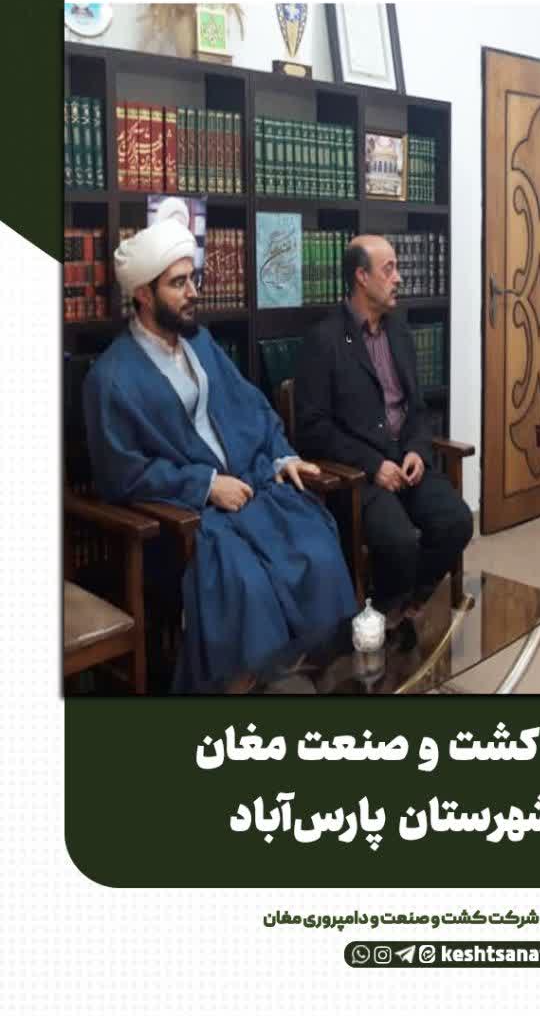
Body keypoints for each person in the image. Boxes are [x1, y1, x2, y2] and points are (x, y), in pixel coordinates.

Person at [83, 218, 357, 692]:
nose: (193, 292)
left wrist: (282, 456)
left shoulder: (201, 344)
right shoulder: (111, 377)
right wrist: (206, 486)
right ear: (143, 295)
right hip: (186, 521)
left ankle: (327, 678)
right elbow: (121, 474)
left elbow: (254, 407)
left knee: (317, 549)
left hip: (250, 491)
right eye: (178, 283)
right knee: (247, 588)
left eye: (193, 278)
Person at [294, 234, 473, 617]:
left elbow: (417, 409)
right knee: (399, 541)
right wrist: (374, 466)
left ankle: (407, 603)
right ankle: (388, 613)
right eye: (389, 269)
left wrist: (417, 450)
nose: (398, 278)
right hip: (360, 474)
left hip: (406, 462)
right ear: (361, 277)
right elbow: (312, 429)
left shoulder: (400, 333)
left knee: (457, 521)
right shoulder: (324, 340)